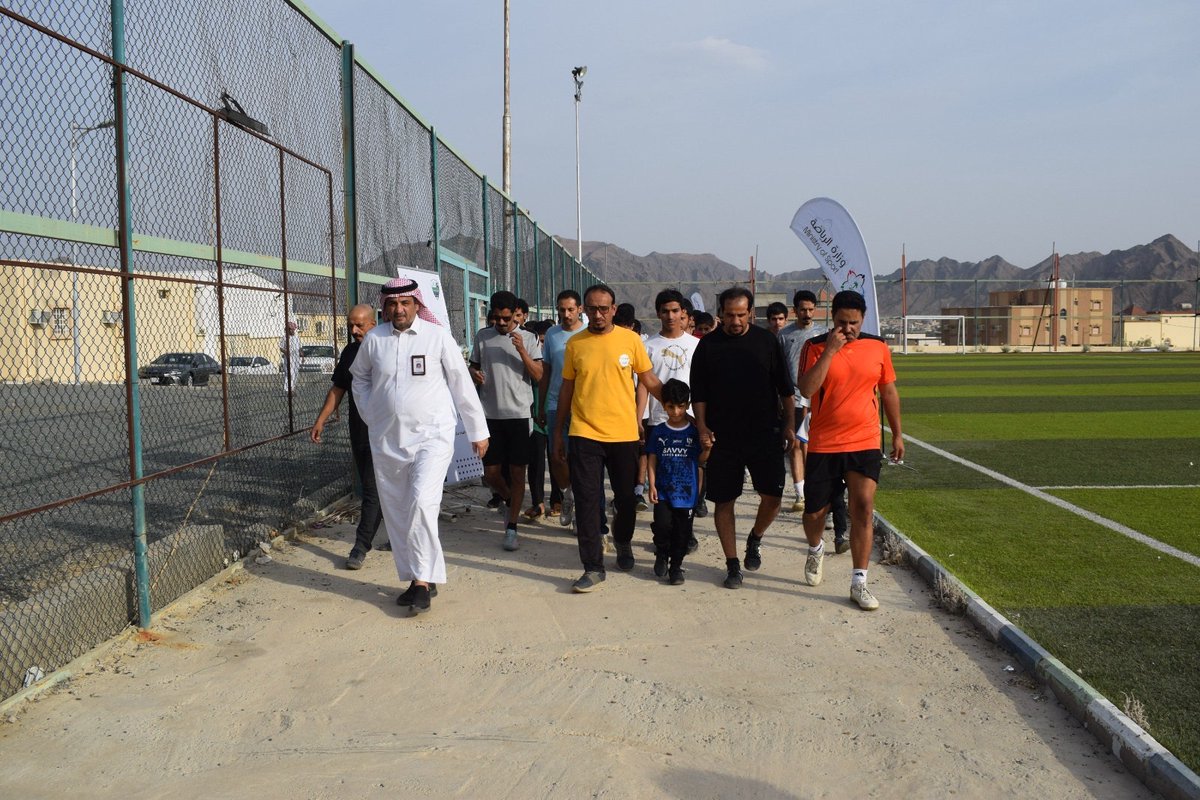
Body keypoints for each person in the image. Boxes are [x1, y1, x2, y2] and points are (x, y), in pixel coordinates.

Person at [351, 277, 489, 616]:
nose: (399, 309)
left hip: (432, 436)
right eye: (392, 304)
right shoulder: (374, 340)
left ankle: (423, 584)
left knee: (422, 502)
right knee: (398, 509)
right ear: (384, 307)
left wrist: (477, 430)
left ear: (416, 305)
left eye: (406, 303)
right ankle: (418, 575)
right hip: (387, 440)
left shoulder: (437, 337)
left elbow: (462, 384)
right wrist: (372, 413)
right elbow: (360, 378)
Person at [552, 284, 664, 593]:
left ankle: (623, 540)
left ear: (614, 309)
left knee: (627, 500)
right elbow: (567, 389)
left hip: (624, 435)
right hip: (584, 433)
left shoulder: (630, 341)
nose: (598, 314)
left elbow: (649, 379)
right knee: (588, 502)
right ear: (585, 310)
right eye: (592, 308)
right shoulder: (575, 344)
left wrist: (674, 403)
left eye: (604, 308)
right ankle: (593, 566)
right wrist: (558, 431)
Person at [798, 290, 904, 611]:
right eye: (842, 322)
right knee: (815, 513)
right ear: (833, 319)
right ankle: (816, 549)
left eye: (854, 323)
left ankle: (859, 581)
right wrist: (830, 351)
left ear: (863, 319)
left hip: (865, 440)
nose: (848, 328)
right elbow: (806, 389)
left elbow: (887, 390)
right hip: (825, 443)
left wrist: (898, 434)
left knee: (863, 506)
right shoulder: (814, 347)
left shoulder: (878, 347)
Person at [690, 287, 795, 590]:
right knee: (725, 501)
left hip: (765, 434)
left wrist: (788, 425)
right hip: (724, 439)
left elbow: (785, 390)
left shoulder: (767, 342)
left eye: (741, 315)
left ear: (750, 313)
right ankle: (732, 564)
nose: (735, 321)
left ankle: (755, 538)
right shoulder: (707, 346)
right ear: (720, 313)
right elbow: (699, 394)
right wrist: (702, 427)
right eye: (729, 315)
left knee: (773, 498)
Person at [310, 304, 384, 570]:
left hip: (390, 432)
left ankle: (361, 546)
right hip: (361, 431)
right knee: (371, 486)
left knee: (379, 490)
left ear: (373, 324)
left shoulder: (388, 349)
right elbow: (338, 388)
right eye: (350, 325)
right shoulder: (351, 352)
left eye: (359, 325)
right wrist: (321, 419)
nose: (354, 331)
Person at [469, 291, 543, 551]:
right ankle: (512, 502)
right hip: (489, 416)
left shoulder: (530, 338)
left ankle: (511, 528)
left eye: (505, 318)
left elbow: (538, 375)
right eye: (496, 318)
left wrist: (521, 349)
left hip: (519, 416)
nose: (500, 323)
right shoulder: (482, 337)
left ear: (515, 315)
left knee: (516, 472)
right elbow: (472, 366)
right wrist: (474, 374)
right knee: (490, 474)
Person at [637, 288, 701, 549]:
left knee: (690, 476)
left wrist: (702, 419)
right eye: (665, 311)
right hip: (659, 422)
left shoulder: (697, 345)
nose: (671, 315)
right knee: (662, 479)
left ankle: (687, 529)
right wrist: (638, 418)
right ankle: (662, 533)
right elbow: (643, 384)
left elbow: (702, 385)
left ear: (683, 313)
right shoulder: (648, 346)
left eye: (675, 311)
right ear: (658, 313)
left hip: (691, 422)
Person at [646, 379, 707, 585]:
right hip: (663, 492)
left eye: (681, 406)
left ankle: (676, 567)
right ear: (664, 405)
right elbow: (652, 458)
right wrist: (652, 484)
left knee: (683, 533)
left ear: (688, 405)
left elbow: (700, 462)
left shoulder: (694, 432)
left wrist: (707, 448)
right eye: (671, 406)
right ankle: (661, 554)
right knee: (662, 526)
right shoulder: (659, 431)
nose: (676, 411)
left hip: (687, 494)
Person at [537, 289, 585, 526]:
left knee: (580, 458)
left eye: (570, 309)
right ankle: (568, 494)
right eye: (562, 310)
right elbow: (546, 372)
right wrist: (541, 405)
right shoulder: (552, 335)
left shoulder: (588, 334)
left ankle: (580, 512)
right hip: (556, 404)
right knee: (556, 457)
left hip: (583, 406)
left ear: (580, 310)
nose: (566, 314)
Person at [279, 320, 300, 397]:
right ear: (288, 330)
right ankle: (288, 390)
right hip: (289, 358)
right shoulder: (284, 338)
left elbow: (299, 347)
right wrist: (286, 352)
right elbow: (281, 348)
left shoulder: (296, 337)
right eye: (291, 329)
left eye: (293, 329)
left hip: (296, 357)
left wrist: (302, 355)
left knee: (295, 373)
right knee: (289, 373)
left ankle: (292, 389)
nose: (293, 331)